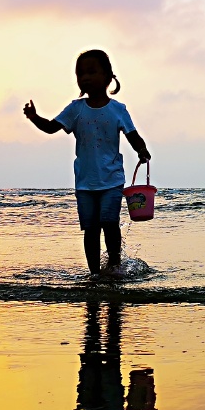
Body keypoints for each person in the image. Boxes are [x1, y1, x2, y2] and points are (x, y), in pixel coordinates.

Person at [23, 49, 152, 278]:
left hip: (112, 180)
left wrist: (142, 150)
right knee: (90, 229)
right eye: (80, 74)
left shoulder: (117, 110)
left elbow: (132, 135)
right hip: (85, 183)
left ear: (108, 77)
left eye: (91, 72)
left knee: (109, 223)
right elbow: (52, 127)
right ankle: (95, 274)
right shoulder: (76, 109)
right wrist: (34, 117)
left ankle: (114, 267)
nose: (85, 78)